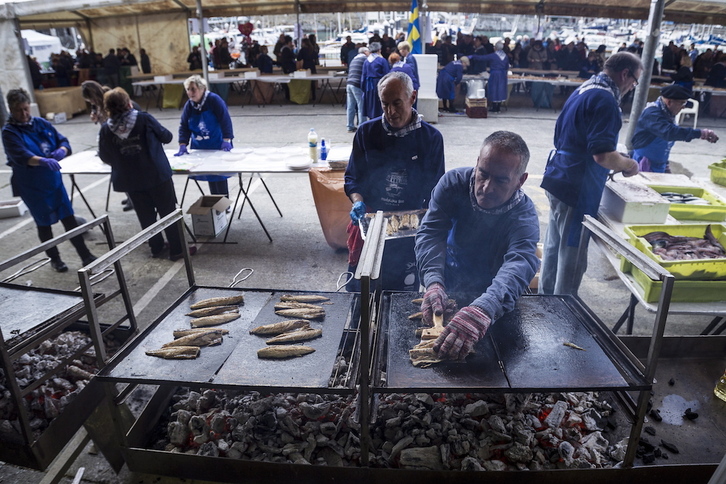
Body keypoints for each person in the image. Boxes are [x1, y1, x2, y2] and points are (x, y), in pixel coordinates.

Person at [415, 131, 540, 360]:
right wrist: (433, 281)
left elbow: (519, 262)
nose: (486, 187)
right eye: (483, 174)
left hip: (496, 293)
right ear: (477, 164)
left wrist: (485, 308)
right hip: (448, 280)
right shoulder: (452, 184)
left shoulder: (524, 217)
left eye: (501, 180)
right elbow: (432, 232)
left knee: (493, 360)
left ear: (520, 181)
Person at [539, 52, 643, 296]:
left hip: (558, 177)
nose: (632, 87)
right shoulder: (606, 100)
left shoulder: (584, 89)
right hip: (576, 186)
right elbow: (603, 156)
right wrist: (628, 164)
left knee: (554, 249)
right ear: (625, 74)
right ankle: (563, 312)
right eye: (635, 80)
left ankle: (545, 303)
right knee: (571, 257)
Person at [345, 71, 445, 292]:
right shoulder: (366, 133)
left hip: (409, 228)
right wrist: (357, 201)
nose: (391, 111)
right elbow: (353, 177)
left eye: (397, 103)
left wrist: (428, 215)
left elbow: (437, 188)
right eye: (385, 104)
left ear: (412, 97)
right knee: (360, 290)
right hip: (371, 220)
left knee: (401, 293)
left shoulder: (431, 139)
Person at [1, 88, 96, 272]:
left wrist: (62, 150)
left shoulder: (41, 123)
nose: (24, 114)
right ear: (11, 110)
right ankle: (55, 259)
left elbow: (63, 141)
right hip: (32, 185)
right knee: (44, 223)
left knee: (69, 219)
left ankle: (86, 256)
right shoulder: (9, 132)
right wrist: (42, 161)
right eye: (19, 110)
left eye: (26, 108)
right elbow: (21, 155)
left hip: (53, 182)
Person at [97, 88, 192, 261]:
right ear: (128, 103)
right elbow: (167, 137)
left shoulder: (106, 129)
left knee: (145, 216)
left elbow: (104, 156)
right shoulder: (144, 119)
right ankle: (177, 250)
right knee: (168, 212)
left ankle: (156, 247)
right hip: (156, 175)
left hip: (130, 180)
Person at [631, 84, 718, 173]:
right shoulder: (652, 113)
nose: (684, 107)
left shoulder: (668, 114)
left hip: (659, 164)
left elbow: (666, 143)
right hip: (644, 164)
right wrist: (700, 133)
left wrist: (665, 163)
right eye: (682, 103)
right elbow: (669, 132)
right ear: (669, 102)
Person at [175, 75, 234, 197]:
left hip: (218, 142)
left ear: (202, 89)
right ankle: (216, 202)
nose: (190, 93)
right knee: (209, 173)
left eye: (193, 89)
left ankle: (224, 204)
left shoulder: (214, 100)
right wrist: (182, 144)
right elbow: (184, 125)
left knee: (219, 173)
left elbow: (225, 120)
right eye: (188, 89)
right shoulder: (189, 105)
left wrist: (227, 139)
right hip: (200, 144)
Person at [468, 41, 510, 113]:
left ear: (496, 48)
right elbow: (507, 66)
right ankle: (498, 108)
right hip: (502, 75)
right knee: (500, 90)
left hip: (494, 74)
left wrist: (472, 56)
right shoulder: (505, 56)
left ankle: (494, 108)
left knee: (494, 89)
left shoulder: (494, 55)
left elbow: (483, 58)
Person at [361, 42, 390, 120]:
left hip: (368, 85)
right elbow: (387, 75)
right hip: (379, 84)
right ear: (379, 50)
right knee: (378, 106)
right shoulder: (382, 60)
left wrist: (363, 88)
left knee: (370, 105)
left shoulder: (366, 61)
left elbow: (363, 76)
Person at [346, 47, 369, 133]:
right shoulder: (364, 59)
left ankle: (349, 126)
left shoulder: (354, 59)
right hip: (357, 84)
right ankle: (362, 127)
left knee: (350, 106)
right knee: (361, 106)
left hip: (349, 83)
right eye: (368, 51)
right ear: (365, 52)